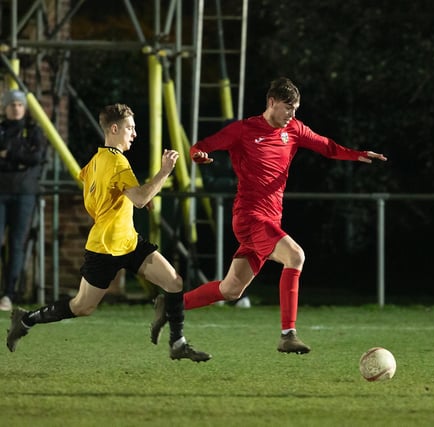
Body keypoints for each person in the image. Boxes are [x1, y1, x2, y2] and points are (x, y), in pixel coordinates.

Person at [150, 77, 387, 354]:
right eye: (288, 107)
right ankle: (288, 335)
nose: (292, 114)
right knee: (295, 256)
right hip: (250, 218)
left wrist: (357, 155)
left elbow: (328, 147)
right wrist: (198, 155)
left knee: (231, 290)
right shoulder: (244, 130)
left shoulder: (295, 130)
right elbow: (202, 145)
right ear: (271, 102)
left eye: (296, 109)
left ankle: (171, 303)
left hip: (269, 221)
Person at [6, 103, 211, 362]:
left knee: (174, 282)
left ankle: (178, 343)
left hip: (128, 241)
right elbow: (137, 198)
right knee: (82, 306)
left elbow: (108, 194)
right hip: (105, 247)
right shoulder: (116, 162)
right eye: (130, 128)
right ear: (114, 129)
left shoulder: (95, 161)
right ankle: (25, 319)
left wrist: (134, 197)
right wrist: (164, 171)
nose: (134, 134)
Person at [0, 89, 48, 311]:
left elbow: (36, 157)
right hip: (2, 191)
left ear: (24, 108)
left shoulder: (33, 131)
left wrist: (8, 155)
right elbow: (27, 158)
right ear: (5, 107)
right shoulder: (2, 129)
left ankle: (8, 294)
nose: (16, 108)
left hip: (25, 193)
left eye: (19, 105)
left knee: (17, 243)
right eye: (12, 105)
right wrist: (20, 159)